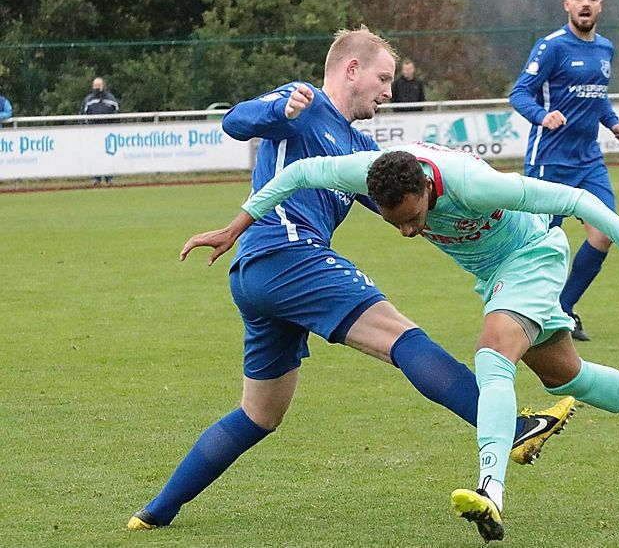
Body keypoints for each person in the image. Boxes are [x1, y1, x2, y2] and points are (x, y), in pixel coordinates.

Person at [126, 28, 573, 532]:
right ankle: (512, 429)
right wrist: (279, 112)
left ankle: (154, 513)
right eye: (383, 78)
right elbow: (235, 120)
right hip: (288, 256)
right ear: (351, 70)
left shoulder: (361, 148)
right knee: (402, 339)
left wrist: (473, 204)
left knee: (260, 415)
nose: (389, 90)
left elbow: (408, 206)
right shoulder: (306, 101)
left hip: (261, 276)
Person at [185, 140, 619, 542]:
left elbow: (578, 199)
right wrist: (236, 227)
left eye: (414, 218)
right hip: (494, 275)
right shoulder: (366, 171)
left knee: (492, 355)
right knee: (566, 374)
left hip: (532, 257)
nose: (409, 232)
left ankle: (490, 490)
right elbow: (297, 174)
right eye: (396, 223)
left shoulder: (474, 185)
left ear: (429, 190)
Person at [509, 0, 619, 342]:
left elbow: (598, 95)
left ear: (600, 5)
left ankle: (562, 308)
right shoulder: (551, 47)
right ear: (567, 5)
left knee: (605, 233)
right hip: (549, 160)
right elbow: (520, 93)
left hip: (589, 159)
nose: (585, 3)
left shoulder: (605, 48)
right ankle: (521, 310)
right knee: (544, 243)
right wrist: (542, 117)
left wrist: (613, 123)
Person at [81, 76, 119, 184]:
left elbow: (116, 114)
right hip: (93, 132)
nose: (97, 88)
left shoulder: (111, 99)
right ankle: (96, 179)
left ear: (103, 86)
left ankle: (109, 178)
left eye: (99, 85)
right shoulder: (88, 100)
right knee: (95, 155)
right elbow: (82, 116)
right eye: (95, 86)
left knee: (108, 155)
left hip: (108, 132)